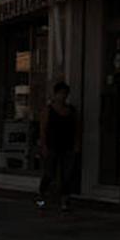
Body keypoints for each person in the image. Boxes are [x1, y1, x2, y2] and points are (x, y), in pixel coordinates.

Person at [37, 81, 81, 211]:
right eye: (61, 93)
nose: (63, 96)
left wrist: (77, 145)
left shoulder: (71, 110)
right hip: (52, 146)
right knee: (49, 173)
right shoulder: (48, 110)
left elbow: (77, 128)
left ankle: (65, 201)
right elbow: (43, 129)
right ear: (55, 94)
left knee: (67, 174)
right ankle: (42, 196)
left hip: (67, 146)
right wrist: (43, 146)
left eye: (65, 94)